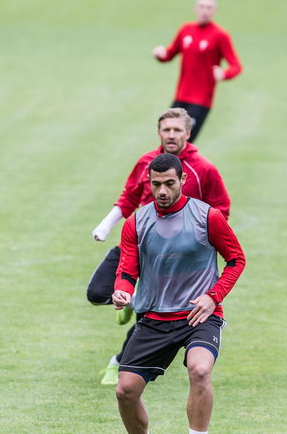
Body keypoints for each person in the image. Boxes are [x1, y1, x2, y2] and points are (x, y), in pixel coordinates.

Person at [110, 152, 245, 434]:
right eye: (156, 185)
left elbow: (236, 259)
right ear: (149, 183)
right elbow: (128, 269)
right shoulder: (136, 223)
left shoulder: (207, 217)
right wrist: (122, 290)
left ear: (183, 181)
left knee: (200, 370)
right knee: (125, 391)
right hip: (155, 318)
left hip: (199, 315)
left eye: (169, 183)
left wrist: (213, 297)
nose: (162, 191)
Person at [88, 108, 231, 385]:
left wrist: (201, 241)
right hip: (138, 243)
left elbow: (221, 209)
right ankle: (132, 301)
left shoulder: (203, 169)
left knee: (153, 315)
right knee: (96, 292)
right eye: (166, 130)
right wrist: (105, 226)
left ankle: (120, 364)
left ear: (188, 133)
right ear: (158, 133)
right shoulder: (146, 162)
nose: (171, 135)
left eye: (177, 130)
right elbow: (129, 197)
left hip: (177, 257)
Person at [152, 0, 242, 142]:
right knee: (167, 141)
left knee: (184, 144)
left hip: (200, 101)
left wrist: (224, 74)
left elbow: (236, 65)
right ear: (196, 9)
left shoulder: (220, 35)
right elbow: (170, 54)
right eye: (202, 6)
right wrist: (160, 54)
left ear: (214, 11)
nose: (205, 11)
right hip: (180, 97)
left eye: (209, 7)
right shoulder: (185, 30)